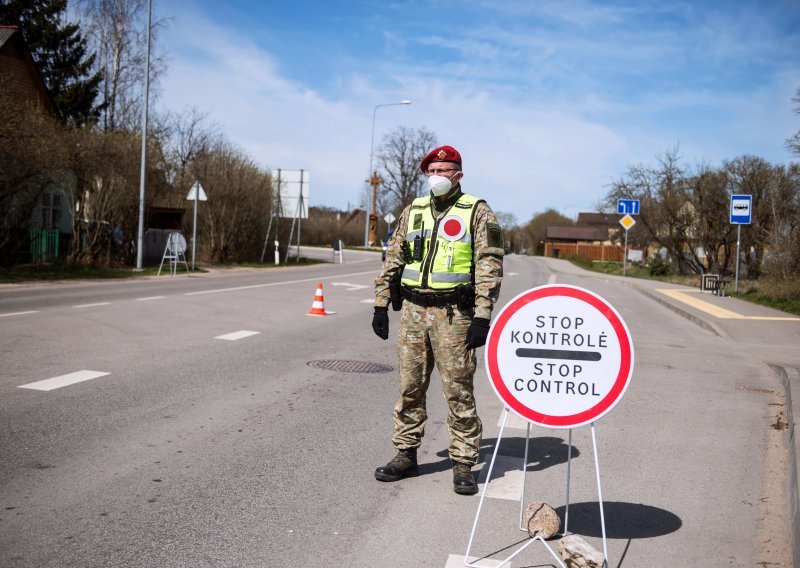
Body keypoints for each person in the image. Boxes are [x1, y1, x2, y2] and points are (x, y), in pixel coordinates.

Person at [371, 145, 504, 495]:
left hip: (453, 316)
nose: (438, 177)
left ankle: (463, 463)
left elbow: (489, 264)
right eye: (433, 171)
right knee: (409, 387)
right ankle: (406, 454)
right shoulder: (414, 210)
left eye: (445, 171)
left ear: (458, 174)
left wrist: (482, 316)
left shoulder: (477, 211)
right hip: (413, 313)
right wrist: (381, 304)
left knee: (458, 390)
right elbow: (394, 256)